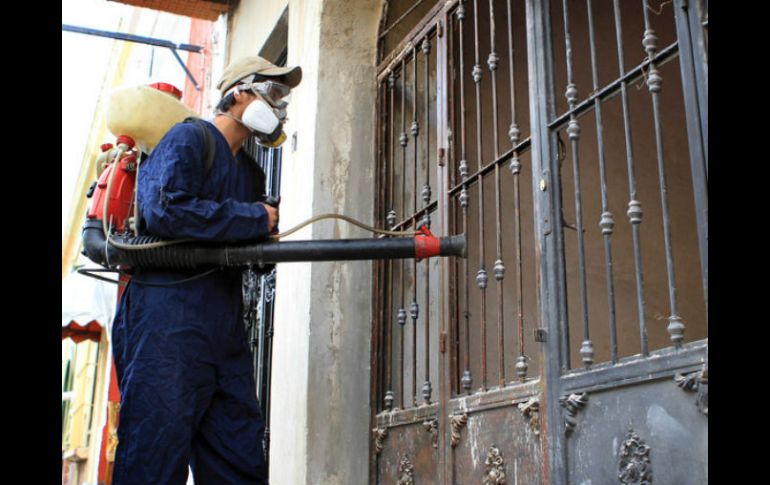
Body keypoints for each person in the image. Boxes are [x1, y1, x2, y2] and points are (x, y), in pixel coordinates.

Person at [111, 55, 302, 485]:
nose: (279, 105)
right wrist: (254, 219)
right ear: (237, 94)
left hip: (223, 330)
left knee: (239, 461)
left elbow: (242, 243)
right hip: (167, 324)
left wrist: (263, 244)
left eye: (283, 98)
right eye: (271, 93)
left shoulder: (250, 174)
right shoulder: (190, 138)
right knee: (153, 460)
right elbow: (165, 209)